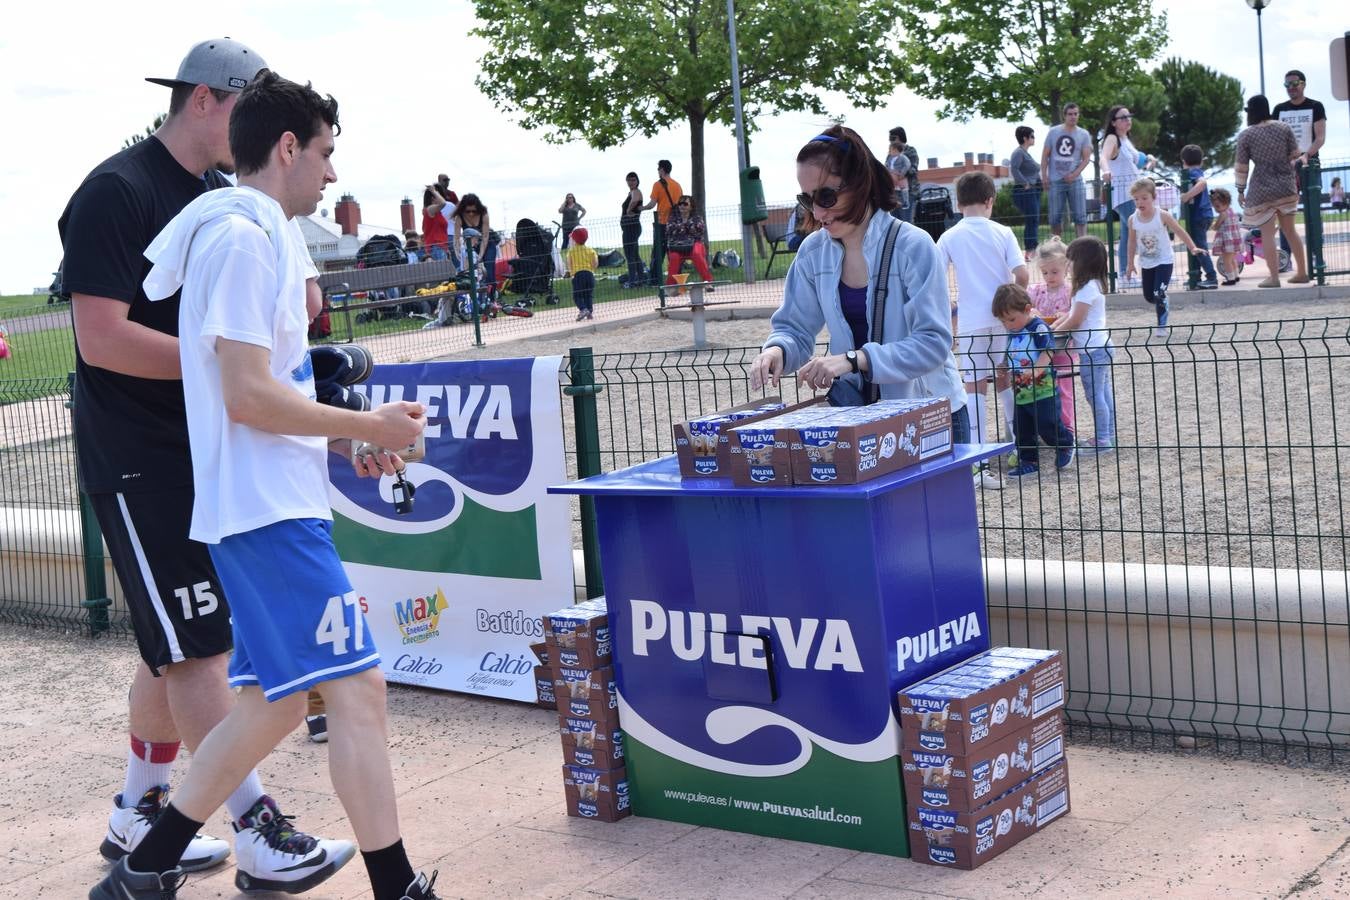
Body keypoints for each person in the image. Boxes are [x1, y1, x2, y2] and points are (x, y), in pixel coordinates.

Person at [91, 70, 439, 900]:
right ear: (287, 147)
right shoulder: (244, 238)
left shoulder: (244, 232)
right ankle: (397, 889)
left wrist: (347, 442)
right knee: (357, 688)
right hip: (266, 518)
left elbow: (254, 389)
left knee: (273, 705)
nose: (330, 174)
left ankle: (142, 870)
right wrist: (367, 429)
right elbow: (245, 394)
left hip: (265, 508)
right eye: (324, 153)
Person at [57, 37, 355, 893]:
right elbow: (100, 338)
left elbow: (284, 308)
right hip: (139, 455)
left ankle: (139, 809)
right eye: (245, 106)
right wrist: (225, 362)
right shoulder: (117, 190)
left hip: (198, 447)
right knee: (195, 651)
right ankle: (255, 827)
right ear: (203, 101)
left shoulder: (221, 197)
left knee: (171, 644)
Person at [748, 125, 968, 444]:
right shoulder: (812, 252)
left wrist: (854, 360)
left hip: (931, 416)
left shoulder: (913, 246)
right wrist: (776, 351)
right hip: (860, 418)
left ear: (859, 184)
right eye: (807, 200)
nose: (819, 212)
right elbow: (794, 328)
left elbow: (933, 343)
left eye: (826, 196)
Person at [936, 171, 1029, 490]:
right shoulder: (1002, 232)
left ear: (958, 203)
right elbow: (1022, 273)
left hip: (972, 322)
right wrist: (1015, 307)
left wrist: (950, 318)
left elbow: (935, 279)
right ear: (990, 201)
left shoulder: (950, 237)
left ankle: (979, 463)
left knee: (974, 385)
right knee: (1004, 375)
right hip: (1003, 318)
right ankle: (1016, 446)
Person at [993, 284, 1075, 478]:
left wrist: (1037, 369)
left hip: (1042, 390)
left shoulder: (1037, 327)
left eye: (1011, 319)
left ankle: (1064, 444)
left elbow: (1048, 350)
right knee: (1023, 429)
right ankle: (1029, 461)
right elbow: (1012, 353)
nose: (1009, 325)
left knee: (1047, 423)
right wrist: (1004, 365)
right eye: (1004, 322)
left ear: (1027, 309)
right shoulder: (1013, 332)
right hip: (1021, 391)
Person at [1235, 95, 1309, 288]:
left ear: (1251, 112)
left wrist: (1241, 190)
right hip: (1286, 184)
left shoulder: (1246, 135)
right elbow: (1295, 155)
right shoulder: (1283, 128)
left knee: (1267, 234)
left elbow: (1242, 166)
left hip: (1262, 188)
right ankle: (1302, 273)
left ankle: (1274, 278)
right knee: (1290, 231)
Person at [1051, 236, 1115, 454]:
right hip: (1100, 347)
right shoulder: (1091, 285)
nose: (1067, 266)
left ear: (1081, 263)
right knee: (1103, 393)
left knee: (1094, 395)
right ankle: (1109, 433)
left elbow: (1075, 320)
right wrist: (1055, 325)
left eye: (1071, 261)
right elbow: (1071, 315)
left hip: (1093, 351)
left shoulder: (1087, 289)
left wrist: (1051, 336)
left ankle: (1102, 440)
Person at [1125, 177, 1209, 339]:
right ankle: (1163, 300)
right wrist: (1130, 263)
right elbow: (1131, 242)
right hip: (1146, 262)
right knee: (1150, 296)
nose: (1140, 202)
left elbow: (1179, 231)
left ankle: (1161, 326)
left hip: (1164, 260)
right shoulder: (1132, 219)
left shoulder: (1162, 215)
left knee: (1158, 293)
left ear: (1153, 198)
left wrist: (1192, 247)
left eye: (1144, 198)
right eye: (1136, 199)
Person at [1100, 104, 1156, 283]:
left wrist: (1149, 161)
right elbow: (1103, 157)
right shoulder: (1112, 138)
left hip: (1132, 194)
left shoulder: (1126, 140)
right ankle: (1135, 273)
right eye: (1123, 117)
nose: (1127, 120)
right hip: (1124, 195)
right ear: (1114, 122)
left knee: (1128, 234)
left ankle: (1126, 274)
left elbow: (1136, 162)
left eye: (1129, 116)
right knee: (1138, 231)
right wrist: (1106, 171)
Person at [1027, 238, 1076, 434]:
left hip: (1063, 347)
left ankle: (1066, 427)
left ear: (1066, 268)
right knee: (1041, 388)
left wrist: (1065, 316)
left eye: (1054, 272)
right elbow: (1026, 309)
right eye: (1045, 272)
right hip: (1040, 349)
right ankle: (1044, 428)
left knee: (1064, 388)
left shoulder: (1071, 291)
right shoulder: (1036, 291)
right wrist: (1033, 313)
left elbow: (1076, 314)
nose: (1049, 276)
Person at [1041, 103, 1092, 240]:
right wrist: (1044, 176)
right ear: (1064, 115)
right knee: (1054, 218)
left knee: (1080, 217)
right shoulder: (1053, 132)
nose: (1073, 117)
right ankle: (1056, 249)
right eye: (1070, 114)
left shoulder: (1084, 134)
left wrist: (1074, 174)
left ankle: (1082, 247)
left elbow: (1086, 158)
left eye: (1076, 114)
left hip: (1075, 181)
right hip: (1056, 180)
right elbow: (1045, 155)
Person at [1177, 144, 1220, 289]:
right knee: (1194, 246)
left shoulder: (1193, 172)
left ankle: (1211, 277)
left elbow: (1202, 183)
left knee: (1199, 247)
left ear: (1183, 160)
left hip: (1199, 216)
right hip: (1203, 215)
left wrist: (1187, 196)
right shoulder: (1196, 170)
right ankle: (1195, 276)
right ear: (1201, 160)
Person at [641, 160, 683, 286]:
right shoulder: (677, 185)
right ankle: (677, 278)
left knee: (658, 253)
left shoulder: (658, 185)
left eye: (658, 169)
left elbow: (652, 204)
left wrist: (642, 208)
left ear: (662, 170)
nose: (658, 171)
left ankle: (654, 280)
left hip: (662, 222)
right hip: (675, 223)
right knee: (674, 252)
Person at [664, 195, 713, 287]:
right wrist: (687, 226)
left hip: (694, 244)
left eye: (685, 204)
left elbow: (699, 230)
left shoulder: (697, 218)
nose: (682, 206)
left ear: (691, 207)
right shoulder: (673, 218)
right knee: (674, 257)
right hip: (678, 247)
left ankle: (708, 282)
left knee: (697, 254)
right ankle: (671, 286)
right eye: (680, 204)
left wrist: (681, 227)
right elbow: (669, 230)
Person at [454, 193, 497, 298]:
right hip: (470, 246)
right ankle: (477, 300)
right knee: (472, 274)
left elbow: (485, 236)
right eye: (468, 211)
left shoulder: (484, 214)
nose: (471, 214)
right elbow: (456, 238)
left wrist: (481, 255)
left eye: (474, 211)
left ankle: (491, 298)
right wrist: (458, 253)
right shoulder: (459, 217)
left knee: (489, 271)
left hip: (487, 244)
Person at [1009, 125, 1041, 260]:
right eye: (1032, 136)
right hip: (1025, 191)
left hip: (1033, 190)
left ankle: (1033, 248)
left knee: (1034, 220)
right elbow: (1014, 169)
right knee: (1031, 219)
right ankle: (1030, 250)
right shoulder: (1018, 153)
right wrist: (1025, 183)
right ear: (1025, 138)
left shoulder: (1026, 153)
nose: (1034, 139)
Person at [1208, 188, 1244, 285]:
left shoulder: (1223, 214)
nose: (1216, 209)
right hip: (1234, 240)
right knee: (1232, 259)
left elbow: (1216, 226)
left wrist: (1213, 226)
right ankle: (1236, 276)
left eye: (1218, 206)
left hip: (1227, 241)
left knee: (1226, 261)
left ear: (1226, 202)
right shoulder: (1231, 211)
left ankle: (1230, 279)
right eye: (1214, 207)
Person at [887, 127, 921, 223]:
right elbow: (886, 167)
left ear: (900, 137)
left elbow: (913, 169)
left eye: (892, 138)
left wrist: (899, 173)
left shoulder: (910, 151)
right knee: (894, 222)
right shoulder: (890, 153)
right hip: (894, 193)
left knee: (906, 222)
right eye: (890, 138)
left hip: (908, 192)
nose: (890, 141)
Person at [421, 174, 456, 263]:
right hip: (436, 247)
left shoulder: (436, 212)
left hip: (440, 247)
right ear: (433, 198)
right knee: (441, 274)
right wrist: (434, 191)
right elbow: (443, 203)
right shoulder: (430, 209)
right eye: (439, 196)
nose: (442, 197)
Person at [619, 171, 646, 288]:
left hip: (632, 228)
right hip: (630, 228)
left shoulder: (636, 192)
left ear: (637, 181)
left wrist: (628, 210)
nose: (631, 182)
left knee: (630, 255)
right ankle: (640, 279)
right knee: (634, 255)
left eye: (633, 180)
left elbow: (634, 200)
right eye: (629, 180)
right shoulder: (631, 192)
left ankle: (632, 281)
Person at [567, 226, 598, 320]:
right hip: (589, 274)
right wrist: (591, 269)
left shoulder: (571, 251)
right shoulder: (590, 250)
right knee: (588, 294)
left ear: (574, 239)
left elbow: (569, 263)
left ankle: (583, 309)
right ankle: (589, 311)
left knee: (577, 295)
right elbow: (595, 263)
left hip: (578, 275)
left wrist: (571, 273)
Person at [885, 136, 913, 220]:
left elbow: (907, 165)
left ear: (897, 150)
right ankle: (894, 201)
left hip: (900, 176)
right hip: (892, 175)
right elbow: (886, 165)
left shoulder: (903, 157)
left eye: (892, 150)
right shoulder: (890, 158)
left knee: (903, 189)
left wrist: (902, 173)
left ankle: (905, 202)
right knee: (893, 190)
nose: (890, 152)